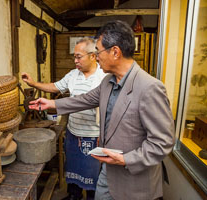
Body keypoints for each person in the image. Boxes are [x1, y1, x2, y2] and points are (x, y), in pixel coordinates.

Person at [28, 20, 175, 200]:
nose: (96, 56)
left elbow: (163, 142)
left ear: (115, 52)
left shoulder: (149, 87)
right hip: (108, 172)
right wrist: (52, 104)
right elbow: (85, 99)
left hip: (133, 180)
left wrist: (125, 160)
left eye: (98, 51)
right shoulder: (108, 82)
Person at [22, 37, 106, 200]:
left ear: (92, 56)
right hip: (73, 132)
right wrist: (34, 84)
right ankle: (73, 196)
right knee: (72, 168)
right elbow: (55, 86)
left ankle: (91, 197)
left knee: (92, 174)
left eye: (78, 56)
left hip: (94, 135)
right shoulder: (73, 75)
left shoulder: (103, 77)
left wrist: (53, 103)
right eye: (74, 56)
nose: (75, 60)